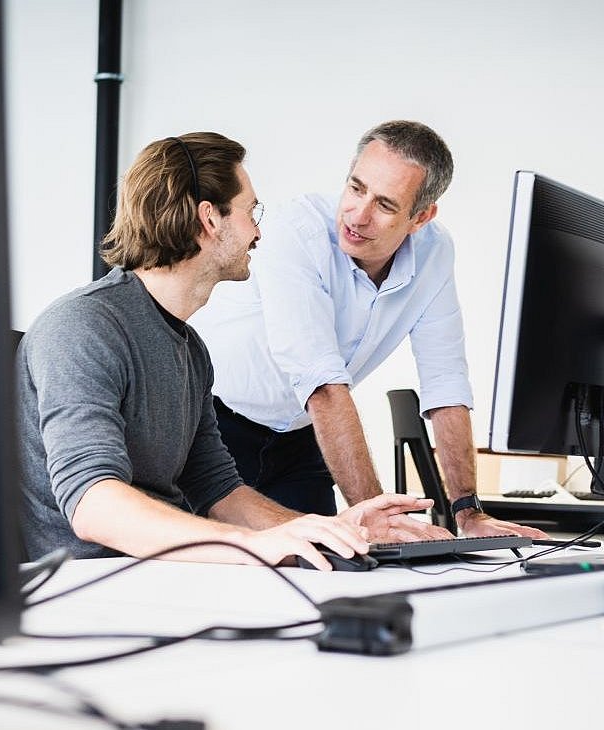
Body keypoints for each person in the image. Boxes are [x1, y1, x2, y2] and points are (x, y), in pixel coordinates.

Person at [15, 132, 439, 570]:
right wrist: (250, 545)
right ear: (210, 219)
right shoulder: (83, 328)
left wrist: (334, 532)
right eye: (251, 211)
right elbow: (94, 505)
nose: (258, 230)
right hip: (87, 589)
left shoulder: (191, 350)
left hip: (160, 578)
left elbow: (218, 490)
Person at [189, 120, 546, 540]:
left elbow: (446, 381)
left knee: (334, 563)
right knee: (217, 569)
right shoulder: (295, 232)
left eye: (386, 205)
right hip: (215, 428)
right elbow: (321, 383)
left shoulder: (434, 252)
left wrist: (468, 510)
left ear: (421, 217)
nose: (358, 215)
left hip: (300, 439)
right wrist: (381, 517)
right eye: (356, 188)